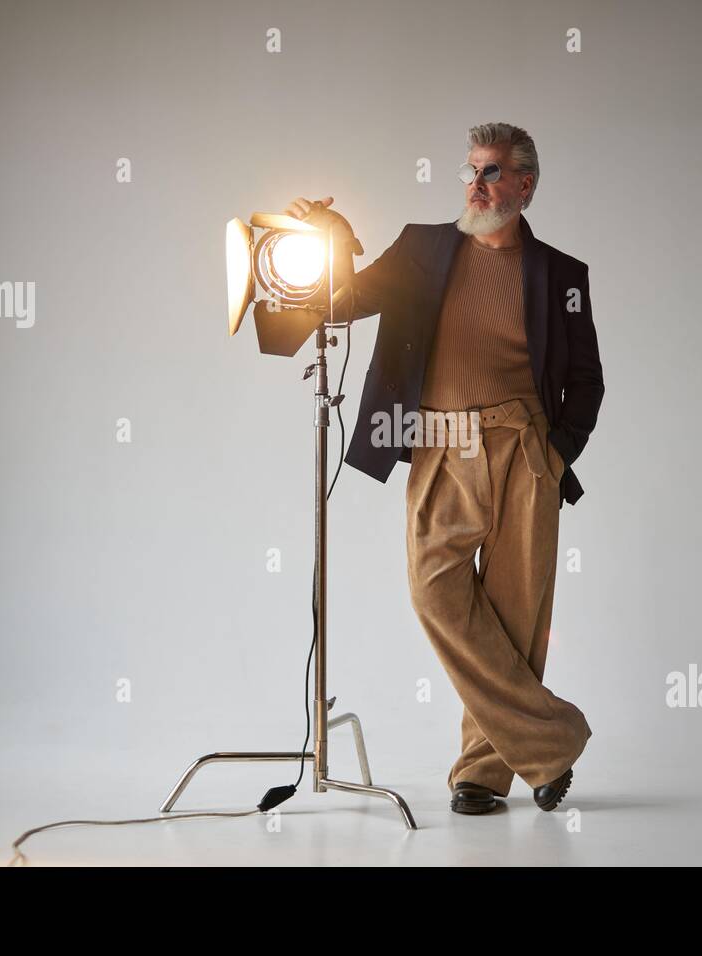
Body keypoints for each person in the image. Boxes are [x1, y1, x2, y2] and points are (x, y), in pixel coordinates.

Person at [285, 122, 604, 814]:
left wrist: (555, 452)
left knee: (517, 617)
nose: (477, 184)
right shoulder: (420, 249)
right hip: (439, 444)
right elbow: (341, 302)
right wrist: (331, 236)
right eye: (470, 170)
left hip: (523, 451)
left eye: (493, 172)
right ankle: (552, 741)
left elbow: (587, 380)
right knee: (436, 594)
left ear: (525, 184)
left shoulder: (562, 276)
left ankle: (482, 775)